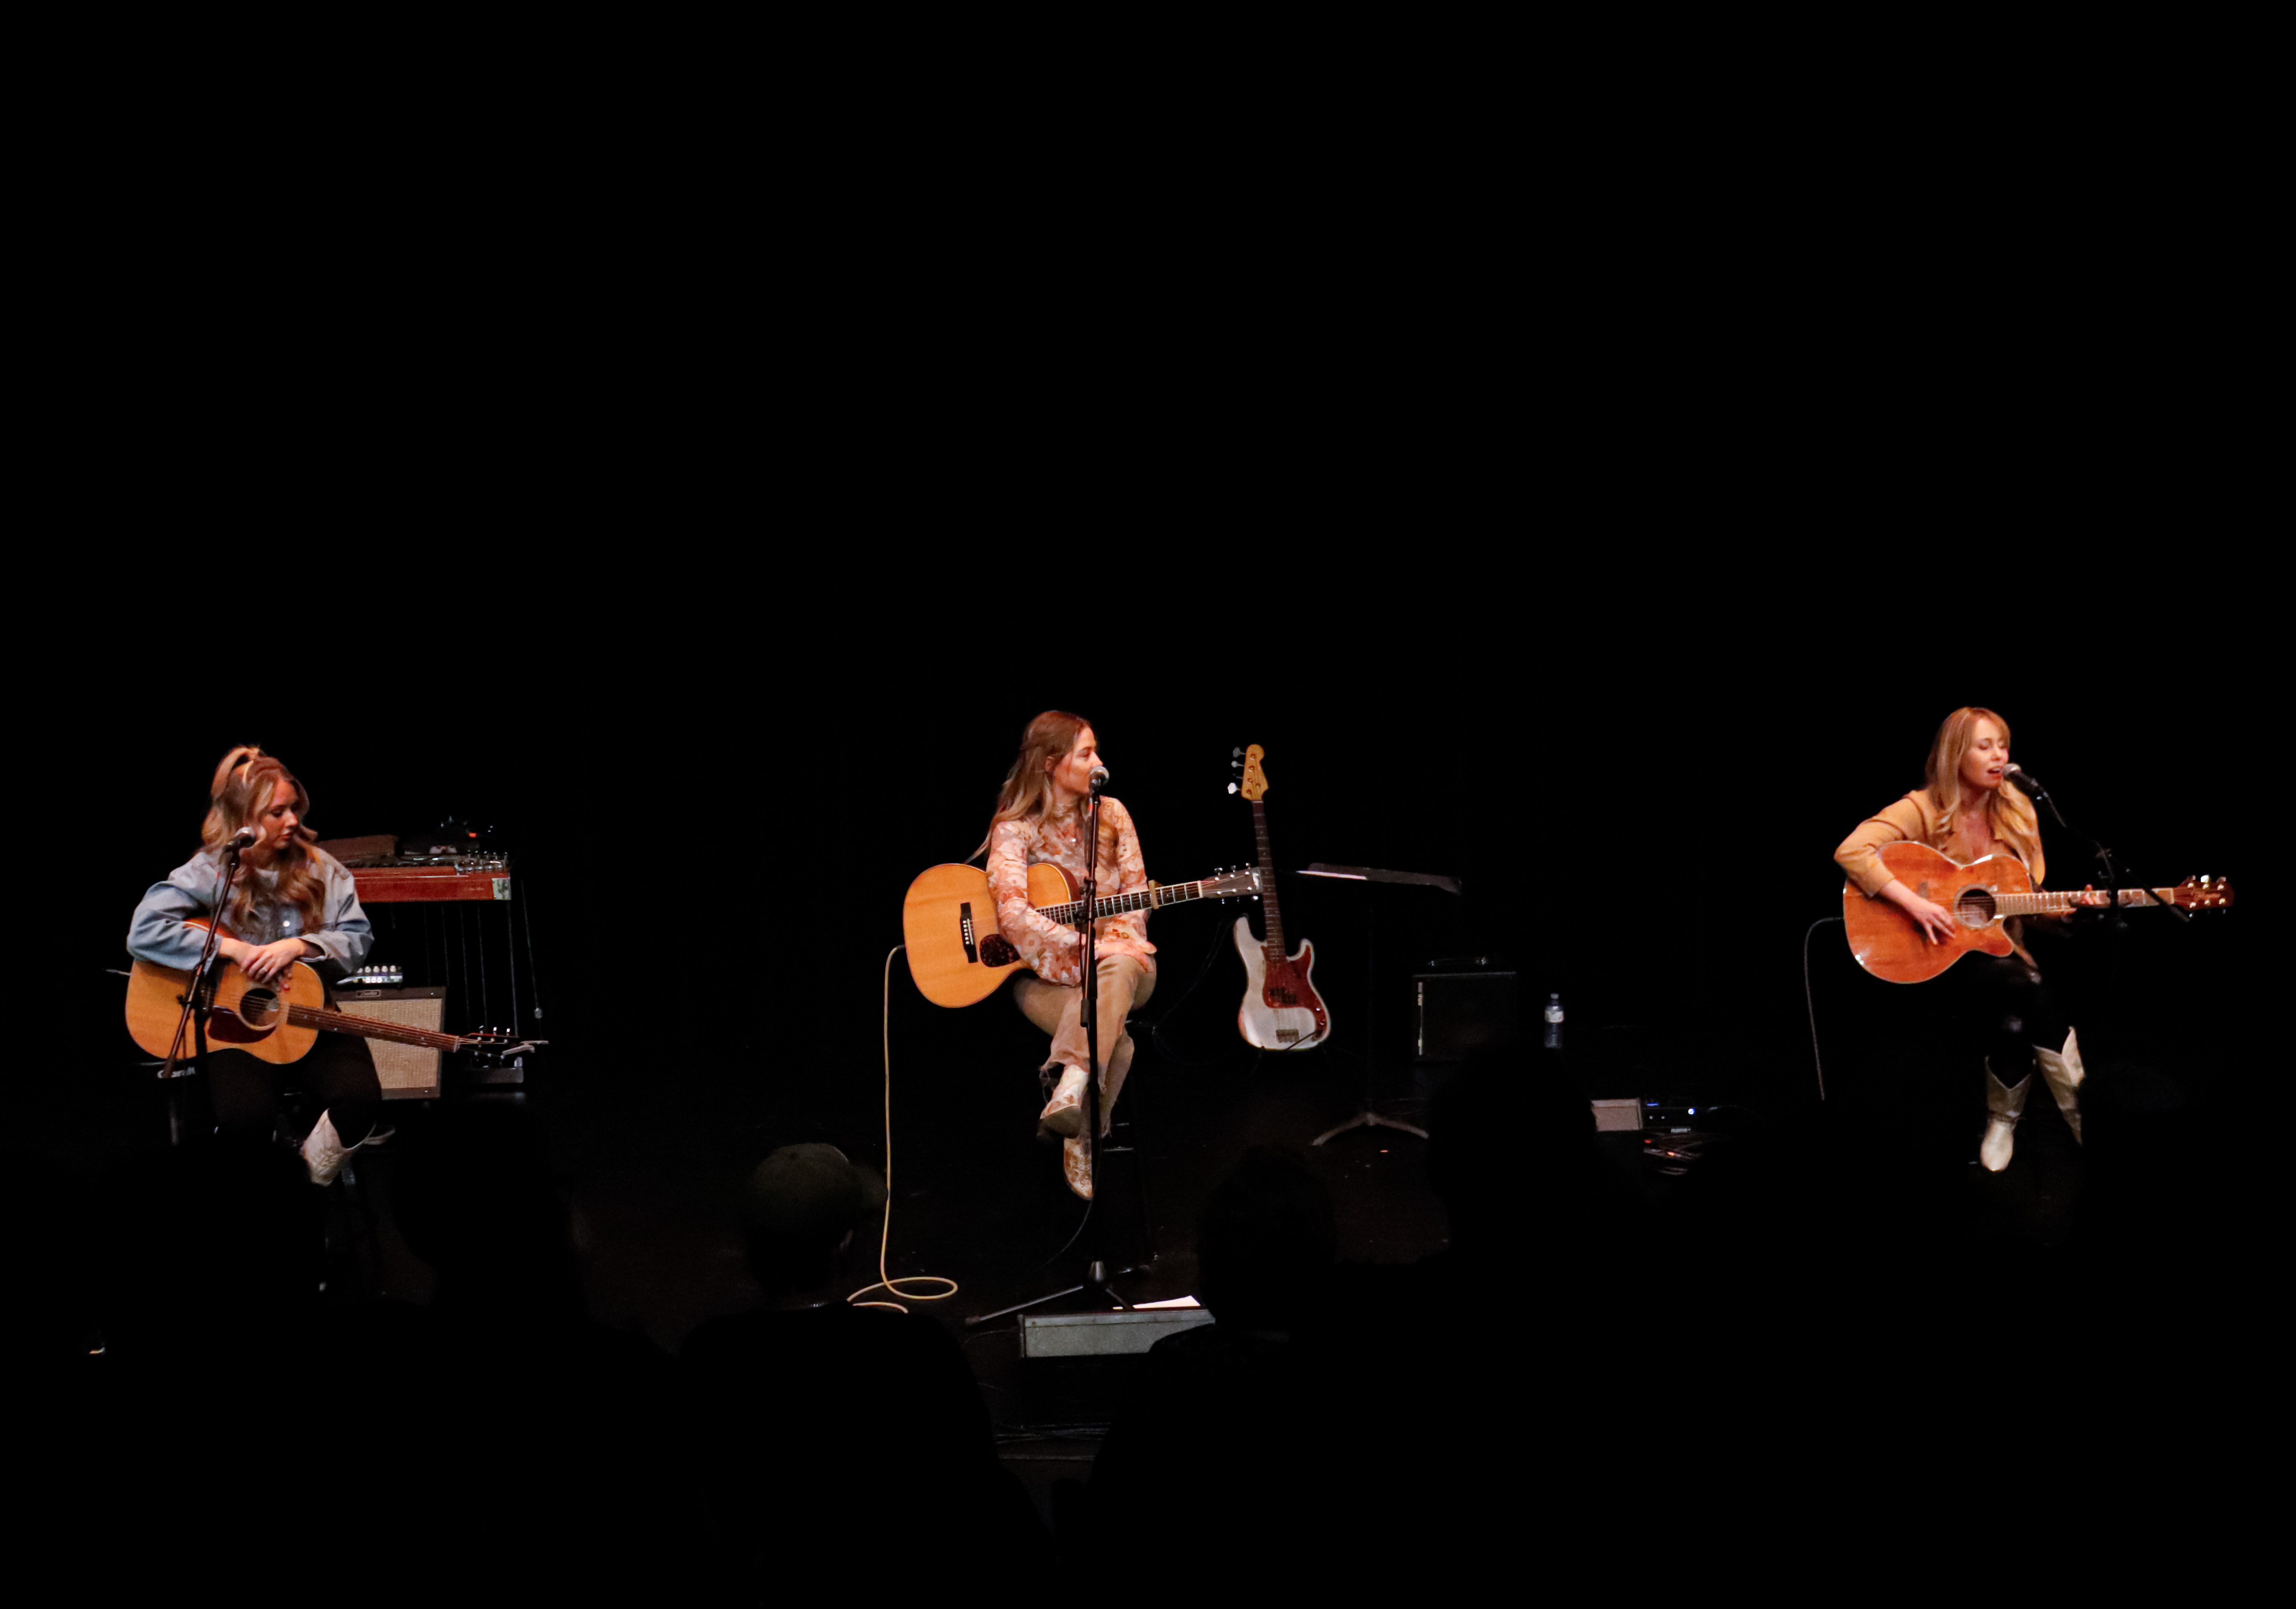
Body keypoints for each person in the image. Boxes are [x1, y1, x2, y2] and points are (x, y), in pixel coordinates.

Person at [1834, 707, 2105, 1171]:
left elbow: (2026, 902)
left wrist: (2067, 910)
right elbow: (1851, 849)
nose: (1999, 756)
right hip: (1934, 955)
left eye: (2003, 745)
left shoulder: (2019, 811)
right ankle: (2084, 1119)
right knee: (2028, 986)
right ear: (1956, 754)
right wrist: (1914, 903)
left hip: (1997, 952)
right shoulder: (1921, 807)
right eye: (1985, 746)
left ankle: (2003, 1120)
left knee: (2017, 1015)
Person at [126, 745, 381, 1184]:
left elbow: (358, 938)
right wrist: (234, 951)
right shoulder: (210, 871)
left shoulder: (323, 869)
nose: (292, 821)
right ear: (244, 822)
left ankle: (302, 1188)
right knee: (244, 1119)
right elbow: (143, 933)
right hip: (239, 1026)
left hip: (309, 1015)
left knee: (360, 1098)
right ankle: (258, 1204)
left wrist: (300, 946)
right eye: (276, 813)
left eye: (293, 809)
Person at [977, 711, 1156, 1200]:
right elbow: (1012, 916)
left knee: (1118, 965)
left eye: (1095, 750)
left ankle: (1071, 1085)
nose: (1098, 762)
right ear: (1051, 764)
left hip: (1124, 969)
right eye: (1085, 753)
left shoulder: (1114, 815)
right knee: (1116, 1043)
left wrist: (1108, 946)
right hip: (1047, 980)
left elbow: (1138, 899)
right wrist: (1086, 947)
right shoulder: (1016, 830)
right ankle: (1081, 1136)